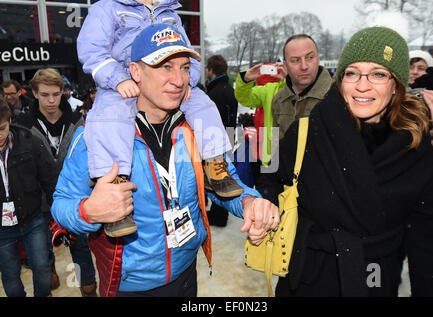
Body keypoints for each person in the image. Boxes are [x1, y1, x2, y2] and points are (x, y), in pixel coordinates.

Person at [51, 23, 279, 297]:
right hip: (130, 286)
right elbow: (62, 202)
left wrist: (250, 202)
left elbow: (223, 180)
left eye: (184, 67)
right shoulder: (98, 133)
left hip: (187, 272)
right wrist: (89, 211)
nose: (179, 79)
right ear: (135, 71)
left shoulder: (198, 127)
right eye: (165, 67)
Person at [258, 26, 433, 297]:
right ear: (341, 79)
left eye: (378, 74)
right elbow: (270, 176)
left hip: (374, 278)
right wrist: (266, 202)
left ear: (397, 86)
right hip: (306, 276)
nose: (362, 85)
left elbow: (430, 251)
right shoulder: (307, 131)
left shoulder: (417, 152)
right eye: (352, 73)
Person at [77, 0, 243, 238]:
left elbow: (190, 57)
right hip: (118, 82)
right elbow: (92, 51)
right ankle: (115, 191)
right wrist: (117, 79)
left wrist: (187, 80)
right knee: (110, 116)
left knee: (204, 104)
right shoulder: (107, 8)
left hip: (184, 259)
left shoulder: (170, 13)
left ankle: (215, 165)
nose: (178, 77)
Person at [15, 68, 98, 297]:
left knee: (80, 249)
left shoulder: (77, 119)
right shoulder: (23, 123)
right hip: (38, 201)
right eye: (44, 95)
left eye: (55, 94)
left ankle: (88, 288)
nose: (51, 100)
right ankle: (49, 270)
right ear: (34, 93)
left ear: (63, 91)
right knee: (41, 252)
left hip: (72, 196)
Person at [235, 34, 333, 166]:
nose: (303, 66)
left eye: (309, 57)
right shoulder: (270, 90)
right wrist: (245, 79)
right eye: (295, 60)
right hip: (273, 160)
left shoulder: (334, 94)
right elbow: (244, 98)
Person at [0, 96, 58, 297]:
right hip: (2, 229)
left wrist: (55, 213)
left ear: (9, 121)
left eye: (2, 128)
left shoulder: (29, 141)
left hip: (33, 218)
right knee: (9, 274)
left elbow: (49, 179)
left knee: (42, 268)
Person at [205, 55, 239, 227]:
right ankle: (219, 212)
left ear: (211, 70)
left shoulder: (215, 92)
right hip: (228, 137)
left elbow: (213, 120)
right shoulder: (227, 88)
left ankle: (219, 215)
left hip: (218, 140)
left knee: (218, 176)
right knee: (223, 175)